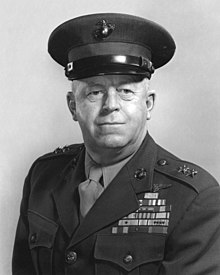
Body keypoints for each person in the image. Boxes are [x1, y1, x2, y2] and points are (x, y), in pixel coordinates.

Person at [12, 13, 220, 275]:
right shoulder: (43, 178)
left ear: (148, 104)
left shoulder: (194, 199)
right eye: (95, 92)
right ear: (73, 106)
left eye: (126, 91)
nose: (111, 105)